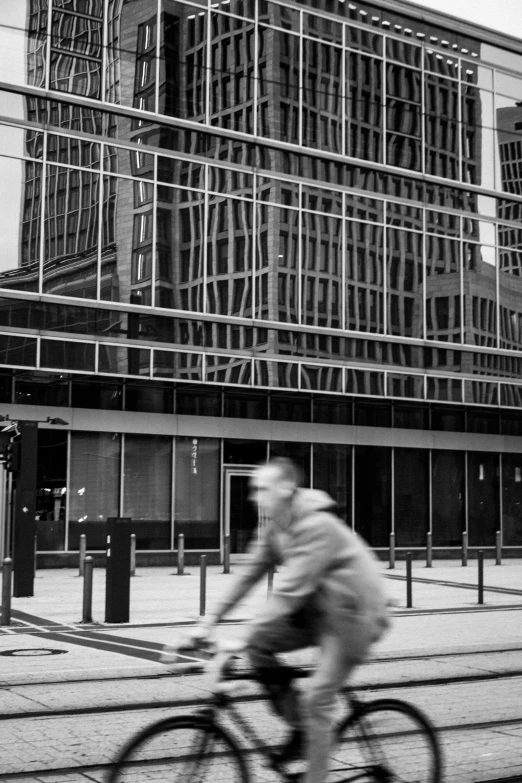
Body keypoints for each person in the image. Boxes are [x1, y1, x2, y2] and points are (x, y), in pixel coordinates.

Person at [187, 457, 390, 783]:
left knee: (315, 700)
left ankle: (313, 753)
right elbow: (247, 577)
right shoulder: (274, 528)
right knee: (260, 648)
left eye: (262, 489)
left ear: (285, 488)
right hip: (316, 614)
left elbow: (288, 593)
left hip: (354, 617)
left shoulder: (316, 526)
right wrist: (207, 622)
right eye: (254, 490)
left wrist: (242, 637)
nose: (254, 496)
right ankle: (301, 730)